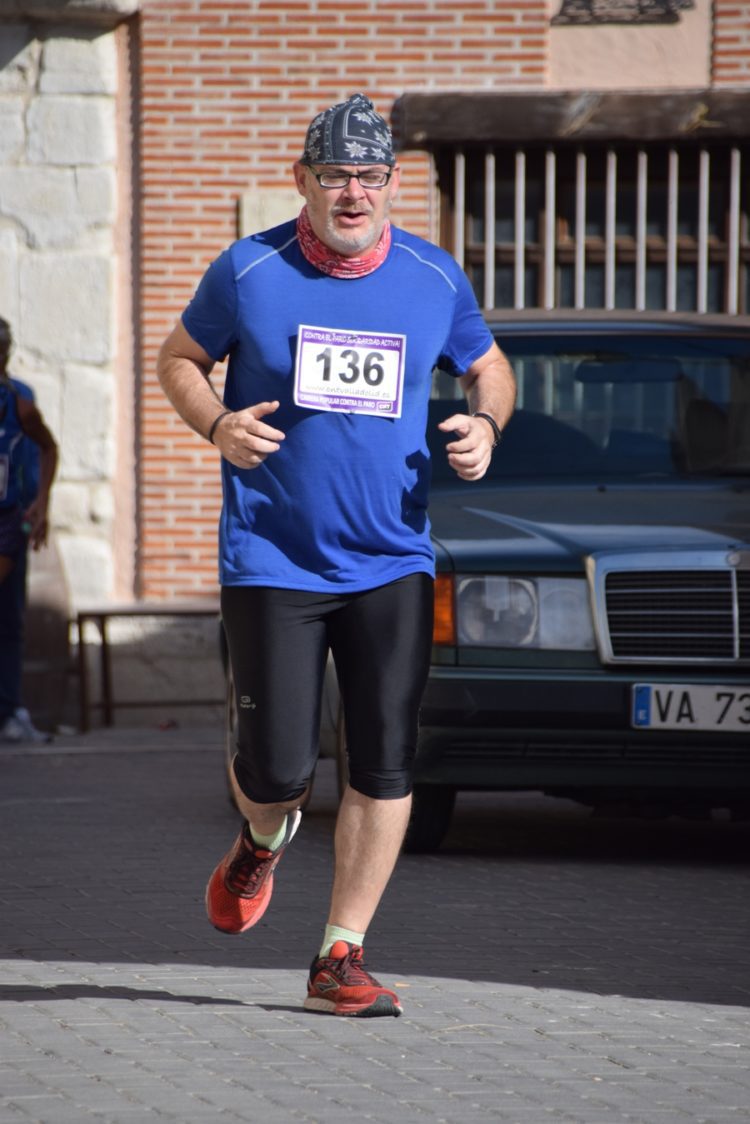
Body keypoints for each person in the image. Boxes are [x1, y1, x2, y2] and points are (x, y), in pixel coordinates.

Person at [157, 93, 516, 1018]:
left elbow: (490, 365)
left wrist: (485, 422)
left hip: (391, 556)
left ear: (393, 183)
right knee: (278, 772)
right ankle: (261, 842)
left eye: (369, 176)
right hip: (272, 558)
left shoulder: (434, 278)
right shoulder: (249, 268)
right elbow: (179, 359)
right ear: (303, 181)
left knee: (385, 760)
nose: (352, 193)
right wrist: (218, 424)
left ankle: (339, 957)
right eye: (334, 175)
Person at [0, 316, 58, 742]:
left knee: (9, 617)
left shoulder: (19, 400)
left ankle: (11, 711)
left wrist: (42, 503)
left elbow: (46, 447)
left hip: (8, 519)